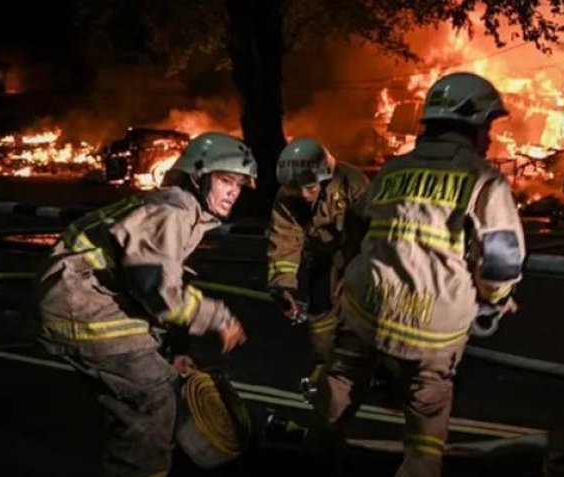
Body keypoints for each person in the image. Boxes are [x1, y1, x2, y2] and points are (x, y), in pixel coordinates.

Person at [306, 72, 525, 476]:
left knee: (341, 380)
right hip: (434, 325)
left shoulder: (393, 170)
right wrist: (495, 300)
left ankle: (318, 457)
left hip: (368, 307)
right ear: (472, 125)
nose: (490, 138)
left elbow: (355, 227)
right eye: (488, 127)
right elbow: (502, 262)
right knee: (427, 409)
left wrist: (347, 270)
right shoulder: (485, 180)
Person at [34, 132, 254, 476]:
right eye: (226, 180)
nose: (234, 192)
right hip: (80, 306)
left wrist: (175, 348)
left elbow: (161, 281)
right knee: (154, 396)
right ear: (198, 178)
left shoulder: (183, 209)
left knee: (153, 385)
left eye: (239, 185)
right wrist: (219, 318)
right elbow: (160, 291)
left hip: (93, 297)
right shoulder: (173, 212)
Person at [266, 137, 369, 398]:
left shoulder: (352, 182)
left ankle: (374, 364)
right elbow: (284, 240)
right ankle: (325, 362)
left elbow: (370, 232)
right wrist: (283, 284)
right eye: (296, 188)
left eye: (310, 187)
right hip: (322, 256)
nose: (303, 195)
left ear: (325, 177)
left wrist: (353, 271)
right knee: (321, 309)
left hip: (359, 255)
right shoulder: (286, 197)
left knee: (364, 310)